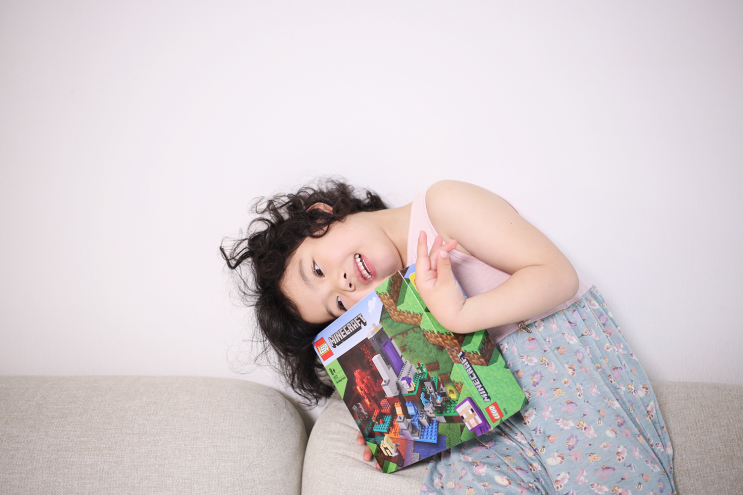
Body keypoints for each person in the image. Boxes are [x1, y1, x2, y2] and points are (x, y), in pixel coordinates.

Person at [221, 178, 676, 495]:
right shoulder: (396, 319)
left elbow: (557, 275)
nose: (343, 285)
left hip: (556, 370)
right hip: (486, 415)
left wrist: (458, 313)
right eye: (338, 305)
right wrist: (403, 434)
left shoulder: (441, 206)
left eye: (318, 269)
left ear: (321, 215)